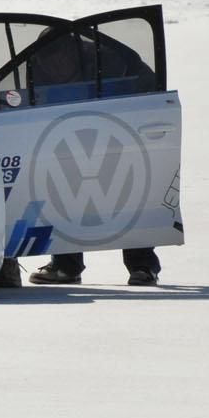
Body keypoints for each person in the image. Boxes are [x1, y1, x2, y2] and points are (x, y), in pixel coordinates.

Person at [22, 29, 161, 287]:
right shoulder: (37, 66)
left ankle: (143, 265)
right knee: (61, 193)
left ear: (73, 51)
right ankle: (65, 265)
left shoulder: (111, 59)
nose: (54, 65)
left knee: (129, 193)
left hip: (120, 133)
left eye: (58, 57)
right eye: (46, 60)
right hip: (67, 137)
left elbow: (147, 91)